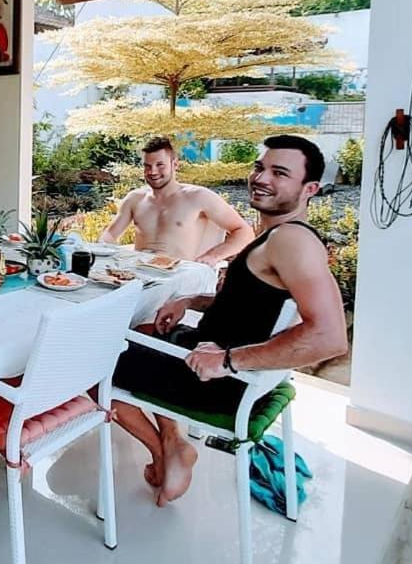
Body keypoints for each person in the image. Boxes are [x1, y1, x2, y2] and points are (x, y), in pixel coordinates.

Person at [112, 134, 348, 507]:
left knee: (94, 362)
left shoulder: (291, 242)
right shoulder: (278, 236)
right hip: (208, 354)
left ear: (310, 189)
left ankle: (166, 453)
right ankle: (173, 443)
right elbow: (250, 304)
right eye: (260, 167)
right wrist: (190, 300)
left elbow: (329, 337)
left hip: (216, 381)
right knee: (144, 330)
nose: (261, 178)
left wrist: (228, 360)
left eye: (280, 173)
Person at [100, 136, 254, 266]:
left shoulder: (198, 197)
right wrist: (103, 249)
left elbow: (244, 232)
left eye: (160, 165)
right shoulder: (135, 198)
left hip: (180, 274)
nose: (153, 172)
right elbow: (110, 235)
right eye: (147, 166)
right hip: (140, 273)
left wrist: (212, 257)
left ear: (175, 164)